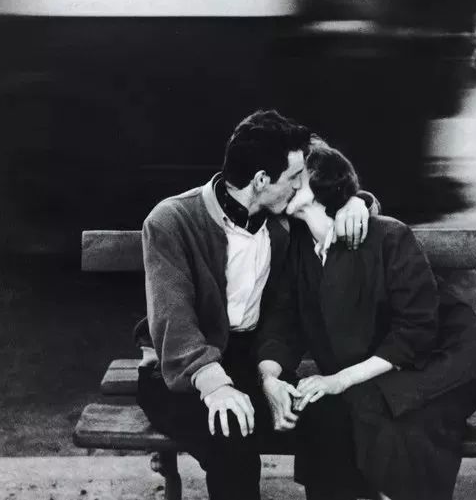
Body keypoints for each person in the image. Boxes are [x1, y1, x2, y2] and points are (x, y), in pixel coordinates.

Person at [135, 110, 375, 500]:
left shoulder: (282, 219)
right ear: (262, 180)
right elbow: (174, 321)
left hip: (252, 362)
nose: (300, 186)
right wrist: (215, 386)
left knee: (329, 416)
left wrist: (357, 204)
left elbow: (336, 191)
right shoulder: (171, 221)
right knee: (231, 436)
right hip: (179, 375)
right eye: (294, 177)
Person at [256, 144, 476, 500]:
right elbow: (283, 322)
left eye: (296, 177)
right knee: (319, 408)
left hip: (440, 363)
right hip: (376, 368)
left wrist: (339, 379)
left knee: (379, 415)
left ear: (321, 185)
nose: (286, 183)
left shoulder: (388, 236)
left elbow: (415, 331)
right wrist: (271, 378)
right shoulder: (298, 245)